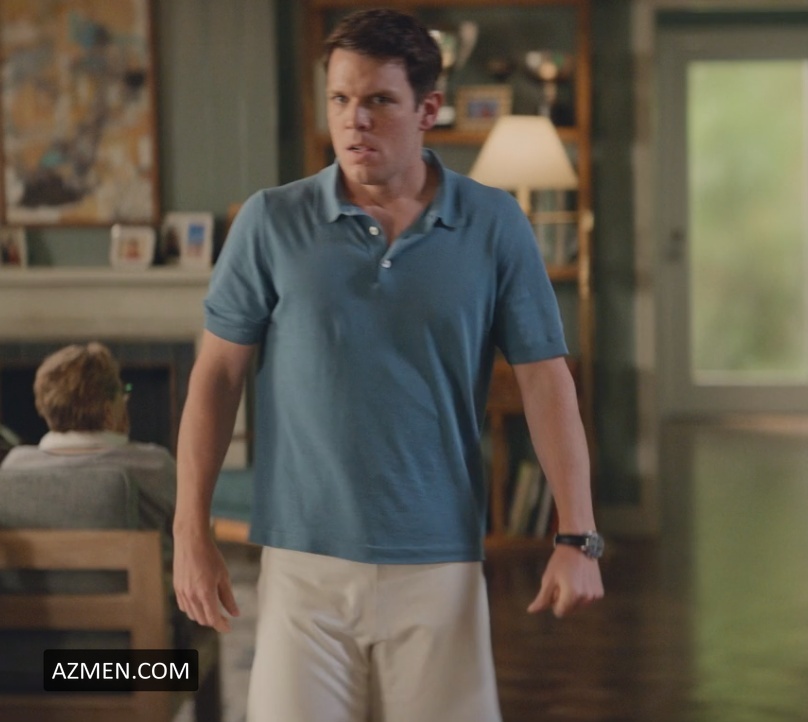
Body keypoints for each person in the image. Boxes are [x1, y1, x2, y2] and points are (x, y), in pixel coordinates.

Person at [173, 8, 603, 722]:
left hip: (439, 566)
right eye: (340, 98)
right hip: (303, 568)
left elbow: (545, 381)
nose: (355, 119)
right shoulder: (270, 221)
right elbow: (215, 378)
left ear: (428, 109)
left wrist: (577, 536)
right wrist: (190, 531)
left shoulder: (495, 223)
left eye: (378, 100)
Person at [1, 342, 176, 558]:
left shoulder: (15, 467)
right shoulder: (155, 465)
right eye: (122, 394)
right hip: (141, 580)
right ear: (108, 410)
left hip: (38, 581)